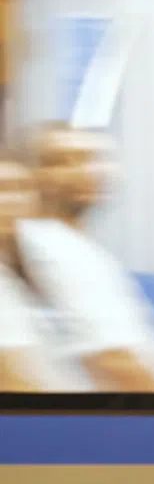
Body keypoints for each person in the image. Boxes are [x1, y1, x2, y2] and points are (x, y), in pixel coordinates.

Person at [16, 123, 154, 391]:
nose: (84, 171)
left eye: (91, 159)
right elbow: (117, 363)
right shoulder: (50, 244)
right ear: (33, 175)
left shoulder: (78, 245)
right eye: (61, 162)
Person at [0, 158, 84, 391]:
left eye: (22, 188)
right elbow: (11, 379)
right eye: (2, 189)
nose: (12, 200)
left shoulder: (28, 270)